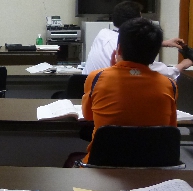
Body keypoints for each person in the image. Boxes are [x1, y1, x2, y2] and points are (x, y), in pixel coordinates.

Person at [69, 18, 177, 166]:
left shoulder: (97, 77)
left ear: (118, 49)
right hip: (153, 167)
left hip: (102, 165)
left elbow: (88, 116)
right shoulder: (170, 85)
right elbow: (170, 127)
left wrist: (113, 69)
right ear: (155, 52)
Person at [83, 1, 189, 77]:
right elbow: (165, 73)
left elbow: (132, 39)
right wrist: (184, 64)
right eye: (141, 18)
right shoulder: (127, 50)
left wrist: (162, 43)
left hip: (86, 91)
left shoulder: (103, 33)